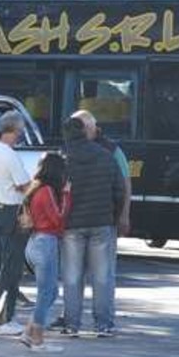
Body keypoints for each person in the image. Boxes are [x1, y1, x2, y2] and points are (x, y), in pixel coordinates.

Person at [60, 116, 124, 337]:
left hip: (71, 226)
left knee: (72, 276)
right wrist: (113, 217)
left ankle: (71, 325)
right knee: (102, 276)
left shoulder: (64, 160)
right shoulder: (106, 157)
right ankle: (103, 325)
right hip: (101, 223)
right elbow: (119, 190)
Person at [73, 109, 131, 319]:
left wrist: (124, 216)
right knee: (73, 275)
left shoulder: (112, 150)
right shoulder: (71, 148)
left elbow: (125, 184)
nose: (79, 132)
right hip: (76, 222)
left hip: (104, 221)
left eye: (83, 128)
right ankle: (71, 316)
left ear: (93, 128)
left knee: (103, 274)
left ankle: (105, 318)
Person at [0, 111, 33, 335]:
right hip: (12, 211)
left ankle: (4, 317)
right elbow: (25, 185)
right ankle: (4, 319)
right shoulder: (9, 155)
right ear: (15, 129)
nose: (22, 133)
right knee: (11, 269)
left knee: (9, 266)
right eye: (21, 129)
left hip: (1, 210)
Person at [21, 152, 70, 351]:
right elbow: (58, 218)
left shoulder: (36, 188)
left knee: (50, 292)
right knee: (46, 292)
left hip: (36, 241)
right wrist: (66, 194)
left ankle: (28, 331)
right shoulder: (48, 190)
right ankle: (37, 339)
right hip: (45, 242)